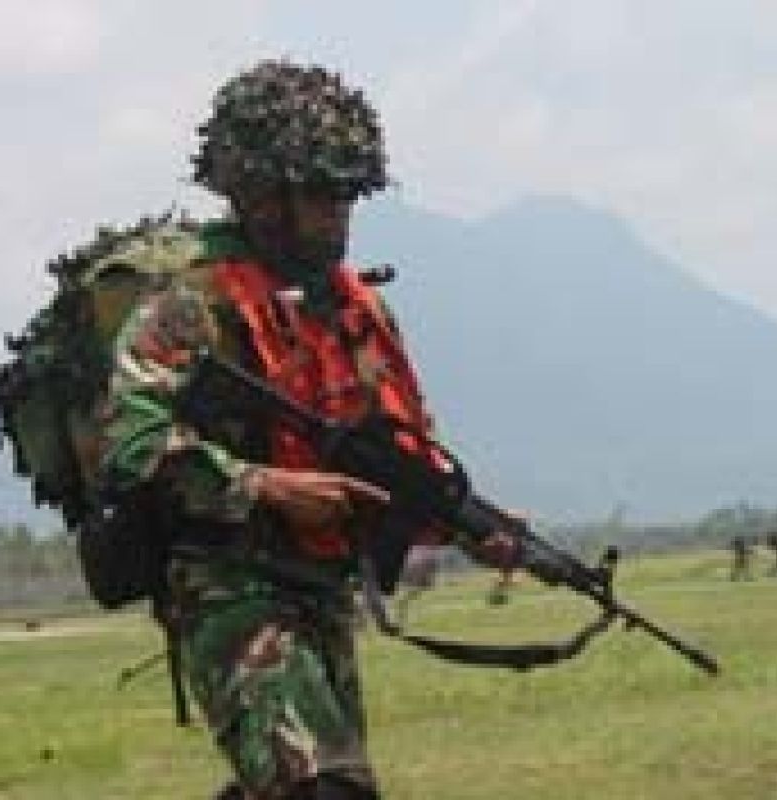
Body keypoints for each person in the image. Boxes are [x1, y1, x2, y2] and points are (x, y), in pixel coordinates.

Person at [93, 60, 516, 800]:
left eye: (347, 196)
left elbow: (396, 455)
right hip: (231, 589)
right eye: (321, 194)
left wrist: (466, 523)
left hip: (324, 592)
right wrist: (264, 484)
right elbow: (126, 443)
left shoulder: (358, 314)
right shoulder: (192, 305)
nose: (339, 216)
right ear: (259, 197)